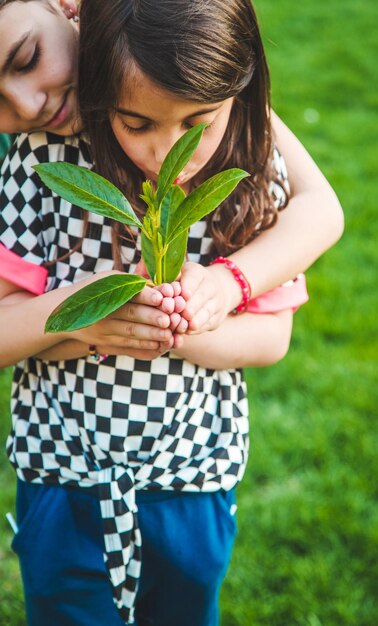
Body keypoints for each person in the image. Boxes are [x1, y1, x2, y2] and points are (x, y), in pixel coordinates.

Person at [0, 1, 344, 625]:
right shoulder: (43, 159)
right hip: (64, 474)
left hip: (194, 476)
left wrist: (208, 301)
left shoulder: (238, 153)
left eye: (26, 57)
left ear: (66, 9)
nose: (168, 152)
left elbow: (276, 324)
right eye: (134, 123)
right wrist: (84, 315)